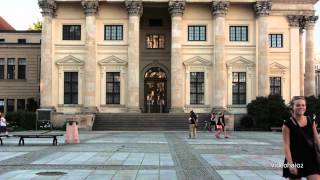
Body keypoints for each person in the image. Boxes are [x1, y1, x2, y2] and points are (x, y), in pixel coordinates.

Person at [282, 96, 320, 179]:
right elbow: (286, 145)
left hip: (311, 157)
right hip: (295, 158)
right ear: (292, 107)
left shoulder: (310, 120)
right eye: (298, 105)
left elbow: (317, 139)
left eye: (303, 105)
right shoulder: (287, 124)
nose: (301, 107)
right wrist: (290, 164)